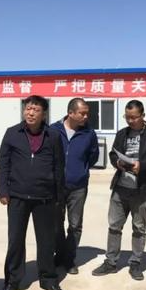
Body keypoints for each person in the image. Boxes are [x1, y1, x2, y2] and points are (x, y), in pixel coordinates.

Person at [0, 95, 65, 290]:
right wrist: (3, 190)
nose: (30, 112)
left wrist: (59, 196)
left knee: (46, 241)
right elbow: (3, 164)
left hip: (45, 197)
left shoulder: (53, 136)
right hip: (17, 196)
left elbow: (59, 167)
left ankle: (48, 279)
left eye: (35, 109)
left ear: (43, 114)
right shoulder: (12, 133)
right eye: (28, 108)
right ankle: (12, 280)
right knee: (15, 240)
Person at [92, 100, 146, 281]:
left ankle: (135, 263)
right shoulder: (122, 134)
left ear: (143, 116)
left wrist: (142, 165)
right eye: (127, 117)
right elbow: (113, 153)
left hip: (142, 190)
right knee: (114, 226)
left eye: (134, 117)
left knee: (139, 228)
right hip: (121, 188)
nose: (130, 121)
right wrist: (117, 162)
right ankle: (111, 262)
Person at [50, 98, 99, 275]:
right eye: (82, 113)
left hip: (78, 186)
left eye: (87, 113)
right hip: (56, 186)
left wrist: (80, 170)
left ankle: (69, 259)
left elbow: (93, 156)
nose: (86, 116)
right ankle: (59, 254)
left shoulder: (89, 133)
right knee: (55, 223)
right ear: (70, 113)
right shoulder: (53, 130)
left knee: (75, 224)